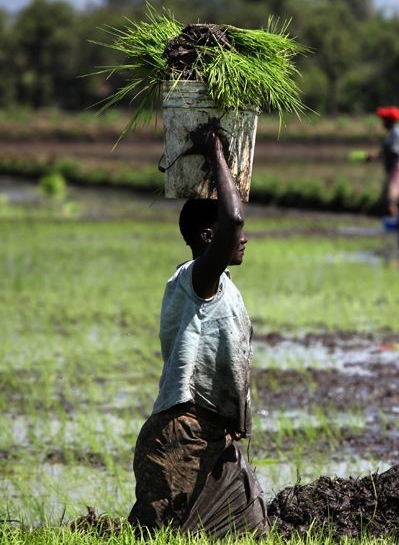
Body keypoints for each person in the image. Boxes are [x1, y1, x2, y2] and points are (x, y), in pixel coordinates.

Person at [128, 129, 268, 538]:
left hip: (214, 436)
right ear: (209, 238)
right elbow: (234, 219)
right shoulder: (196, 279)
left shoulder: (220, 285)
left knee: (251, 528)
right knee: (157, 534)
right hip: (181, 435)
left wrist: (233, 416)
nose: (243, 237)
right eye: (230, 233)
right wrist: (217, 154)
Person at [368, 105, 399, 216]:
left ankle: (398, 224)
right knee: (396, 199)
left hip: (398, 170)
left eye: (384, 121)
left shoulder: (396, 133)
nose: (382, 123)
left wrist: (377, 155)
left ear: (388, 121)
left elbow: (394, 151)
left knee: (391, 200)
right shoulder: (395, 133)